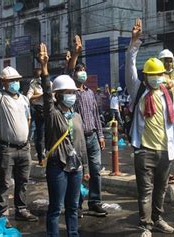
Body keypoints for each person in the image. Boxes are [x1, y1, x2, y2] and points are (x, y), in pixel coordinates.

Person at [126, 18, 174, 235]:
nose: (155, 78)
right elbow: (130, 67)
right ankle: (145, 225)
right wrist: (134, 42)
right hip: (144, 150)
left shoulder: (167, 94)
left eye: (158, 74)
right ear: (146, 77)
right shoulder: (139, 92)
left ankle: (158, 219)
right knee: (146, 190)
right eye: (151, 75)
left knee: (160, 189)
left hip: (165, 151)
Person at [37, 42, 89, 237]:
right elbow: (47, 95)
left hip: (76, 167)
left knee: (73, 206)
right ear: (58, 96)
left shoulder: (76, 116)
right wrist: (44, 68)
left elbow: (81, 142)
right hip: (58, 165)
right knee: (56, 208)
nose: (71, 96)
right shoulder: (52, 114)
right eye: (67, 93)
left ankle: (73, 234)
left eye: (73, 93)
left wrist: (85, 167)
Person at [0, 38, 38, 221]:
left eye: (17, 80)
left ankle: (21, 209)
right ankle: (3, 213)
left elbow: (28, 118)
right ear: (4, 82)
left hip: (24, 147)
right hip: (7, 148)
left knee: (23, 181)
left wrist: (26, 137)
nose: (16, 83)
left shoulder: (23, 99)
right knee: (5, 182)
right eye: (12, 80)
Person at [66, 35, 107, 218]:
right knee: (79, 171)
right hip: (78, 138)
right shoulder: (71, 92)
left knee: (96, 171)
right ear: (75, 75)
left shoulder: (90, 93)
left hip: (93, 137)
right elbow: (68, 73)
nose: (82, 73)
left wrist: (101, 135)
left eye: (84, 70)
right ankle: (77, 205)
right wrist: (75, 54)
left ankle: (95, 202)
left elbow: (96, 115)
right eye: (79, 71)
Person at [27, 68, 46, 166]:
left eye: (41, 77)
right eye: (38, 77)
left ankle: (49, 155)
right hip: (39, 110)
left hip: (49, 109)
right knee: (40, 136)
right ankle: (40, 158)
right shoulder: (33, 85)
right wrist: (40, 95)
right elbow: (28, 97)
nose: (40, 79)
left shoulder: (49, 83)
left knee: (51, 135)